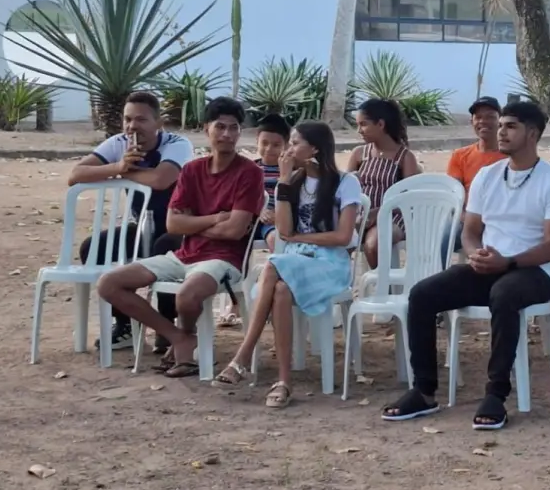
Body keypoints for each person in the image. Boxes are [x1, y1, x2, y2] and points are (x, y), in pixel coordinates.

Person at [381, 101, 550, 430]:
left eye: (510, 126)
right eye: (502, 125)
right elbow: (470, 231)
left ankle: (496, 395)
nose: (501, 131)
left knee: (504, 293)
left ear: (532, 134)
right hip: (489, 265)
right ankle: (424, 391)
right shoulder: (487, 176)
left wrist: (509, 261)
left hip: (533, 272)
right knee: (423, 294)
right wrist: (475, 254)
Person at [97, 97, 266, 377]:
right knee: (109, 283)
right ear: (206, 129)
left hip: (225, 259)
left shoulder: (250, 172)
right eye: (220, 126)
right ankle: (179, 338)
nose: (227, 134)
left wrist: (193, 223)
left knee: (187, 296)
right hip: (184, 255)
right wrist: (215, 218)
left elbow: (234, 231)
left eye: (233, 128)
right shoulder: (191, 170)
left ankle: (183, 343)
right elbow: (173, 224)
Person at [212, 121, 362, 408]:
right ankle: (283, 381)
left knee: (272, 266)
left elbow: (343, 236)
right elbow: (283, 231)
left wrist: (302, 237)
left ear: (315, 148)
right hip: (293, 258)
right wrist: (282, 183)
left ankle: (243, 356)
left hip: (329, 263)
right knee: (280, 290)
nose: (288, 149)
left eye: (295, 143)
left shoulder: (346, 182)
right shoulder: (293, 182)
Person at [69, 91, 193, 352]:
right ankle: (125, 325)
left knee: (165, 245)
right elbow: (76, 175)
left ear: (158, 124)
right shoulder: (118, 143)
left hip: (178, 226)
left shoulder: (177, 144)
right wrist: (117, 167)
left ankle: (168, 325)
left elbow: (162, 179)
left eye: (141, 120)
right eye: (127, 119)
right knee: (92, 247)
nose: (132, 126)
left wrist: (128, 171)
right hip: (140, 227)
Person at [218, 112, 291, 329]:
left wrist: (278, 214)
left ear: (286, 145)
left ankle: (276, 295)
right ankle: (236, 303)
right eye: (264, 143)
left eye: (276, 144)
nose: (269, 149)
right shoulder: (249, 169)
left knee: (276, 242)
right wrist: (258, 210)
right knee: (234, 249)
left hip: (275, 222)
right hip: (249, 219)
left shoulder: (290, 171)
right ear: (256, 142)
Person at [347, 98, 421, 269]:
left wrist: (378, 212)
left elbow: (407, 198)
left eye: (363, 124)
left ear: (380, 124)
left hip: (393, 216)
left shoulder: (404, 158)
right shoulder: (359, 154)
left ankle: (383, 289)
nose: (359, 130)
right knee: (338, 240)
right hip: (360, 216)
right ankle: (342, 287)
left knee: (373, 244)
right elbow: (347, 189)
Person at [441, 96, 505, 262]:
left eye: (490, 116)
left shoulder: (511, 156)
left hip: (501, 220)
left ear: (500, 120)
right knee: (442, 239)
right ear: (472, 122)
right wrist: (467, 218)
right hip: (466, 219)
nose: (483, 122)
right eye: (478, 117)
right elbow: (454, 197)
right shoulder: (460, 156)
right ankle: (436, 282)